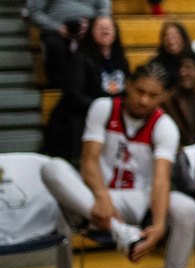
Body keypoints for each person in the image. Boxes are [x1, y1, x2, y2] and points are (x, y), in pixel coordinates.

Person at [40, 65, 195, 268]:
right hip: (96, 197)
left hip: (139, 201)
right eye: (140, 91)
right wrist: (102, 199)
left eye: (153, 95)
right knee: (52, 168)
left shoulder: (165, 127)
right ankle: (119, 231)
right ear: (128, 85)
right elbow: (89, 159)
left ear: (163, 97)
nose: (144, 100)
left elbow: (161, 178)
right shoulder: (104, 108)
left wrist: (159, 226)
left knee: (187, 208)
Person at [42, 15, 130, 163]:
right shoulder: (80, 58)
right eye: (100, 27)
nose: (105, 29)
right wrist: (107, 108)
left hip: (110, 118)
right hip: (80, 119)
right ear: (91, 32)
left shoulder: (120, 59)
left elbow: (126, 90)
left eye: (109, 27)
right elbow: (74, 96)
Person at [27, 0, 111, 90]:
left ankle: (97, 86)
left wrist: (92, 25)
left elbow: (105, 8)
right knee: (54, 45)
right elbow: (34, 11)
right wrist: (56, 27)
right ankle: (59, 89)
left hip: (89, 29)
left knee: (105, 38)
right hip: (56, 30)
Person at [148, 21, 194, 90]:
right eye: (166, 36)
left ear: (184, 38)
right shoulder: (155, 64)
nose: (171, 41)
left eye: (175, 35)